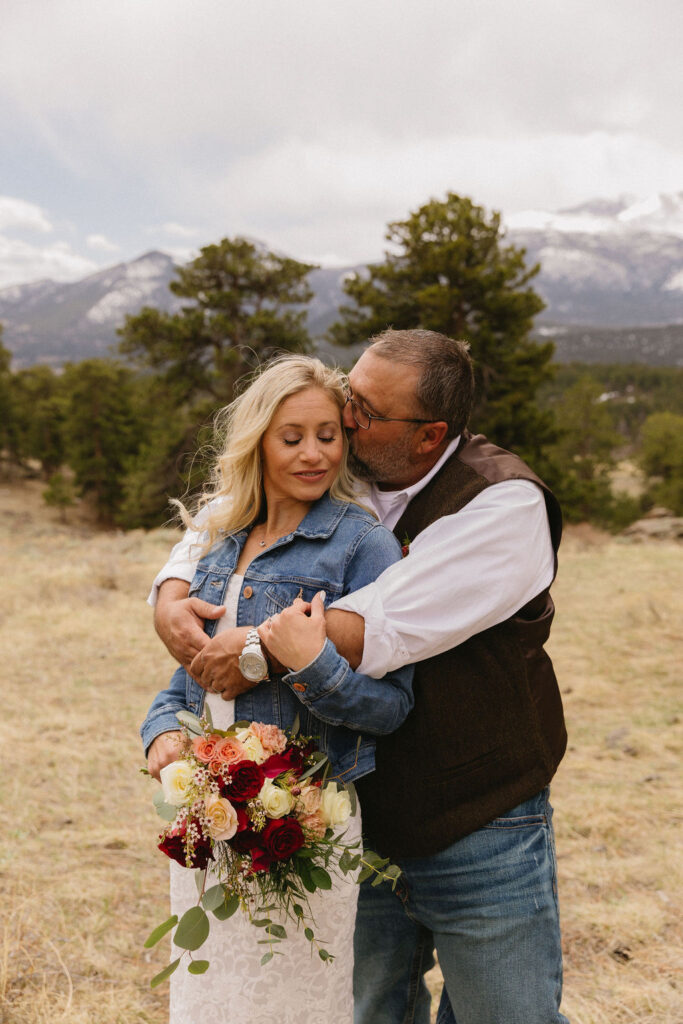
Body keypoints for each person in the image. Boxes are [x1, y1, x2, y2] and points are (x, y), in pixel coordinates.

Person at [151, 329, 569, 1024]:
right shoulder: (346, 480)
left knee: (507, 1014)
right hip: (352, 820)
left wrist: (249, 644)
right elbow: (228, 526)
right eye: (350, 393)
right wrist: (170, 590)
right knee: (368, 1010)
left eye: (364, 412)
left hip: (478, 819)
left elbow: (377, 624)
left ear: (428, 435)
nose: (345, 416)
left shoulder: (503, 505)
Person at [141, 354, 414, 1024]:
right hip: (212, 815)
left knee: (299, 1003)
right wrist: (161, 734)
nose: (313, 453)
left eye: (328, 435)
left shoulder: (362, 546)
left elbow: (392, 707)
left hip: (304, 825)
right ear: (258, 439)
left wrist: (296, 661)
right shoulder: (219, 537)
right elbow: (189, 674)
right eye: (292, 437)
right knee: (211, 997)